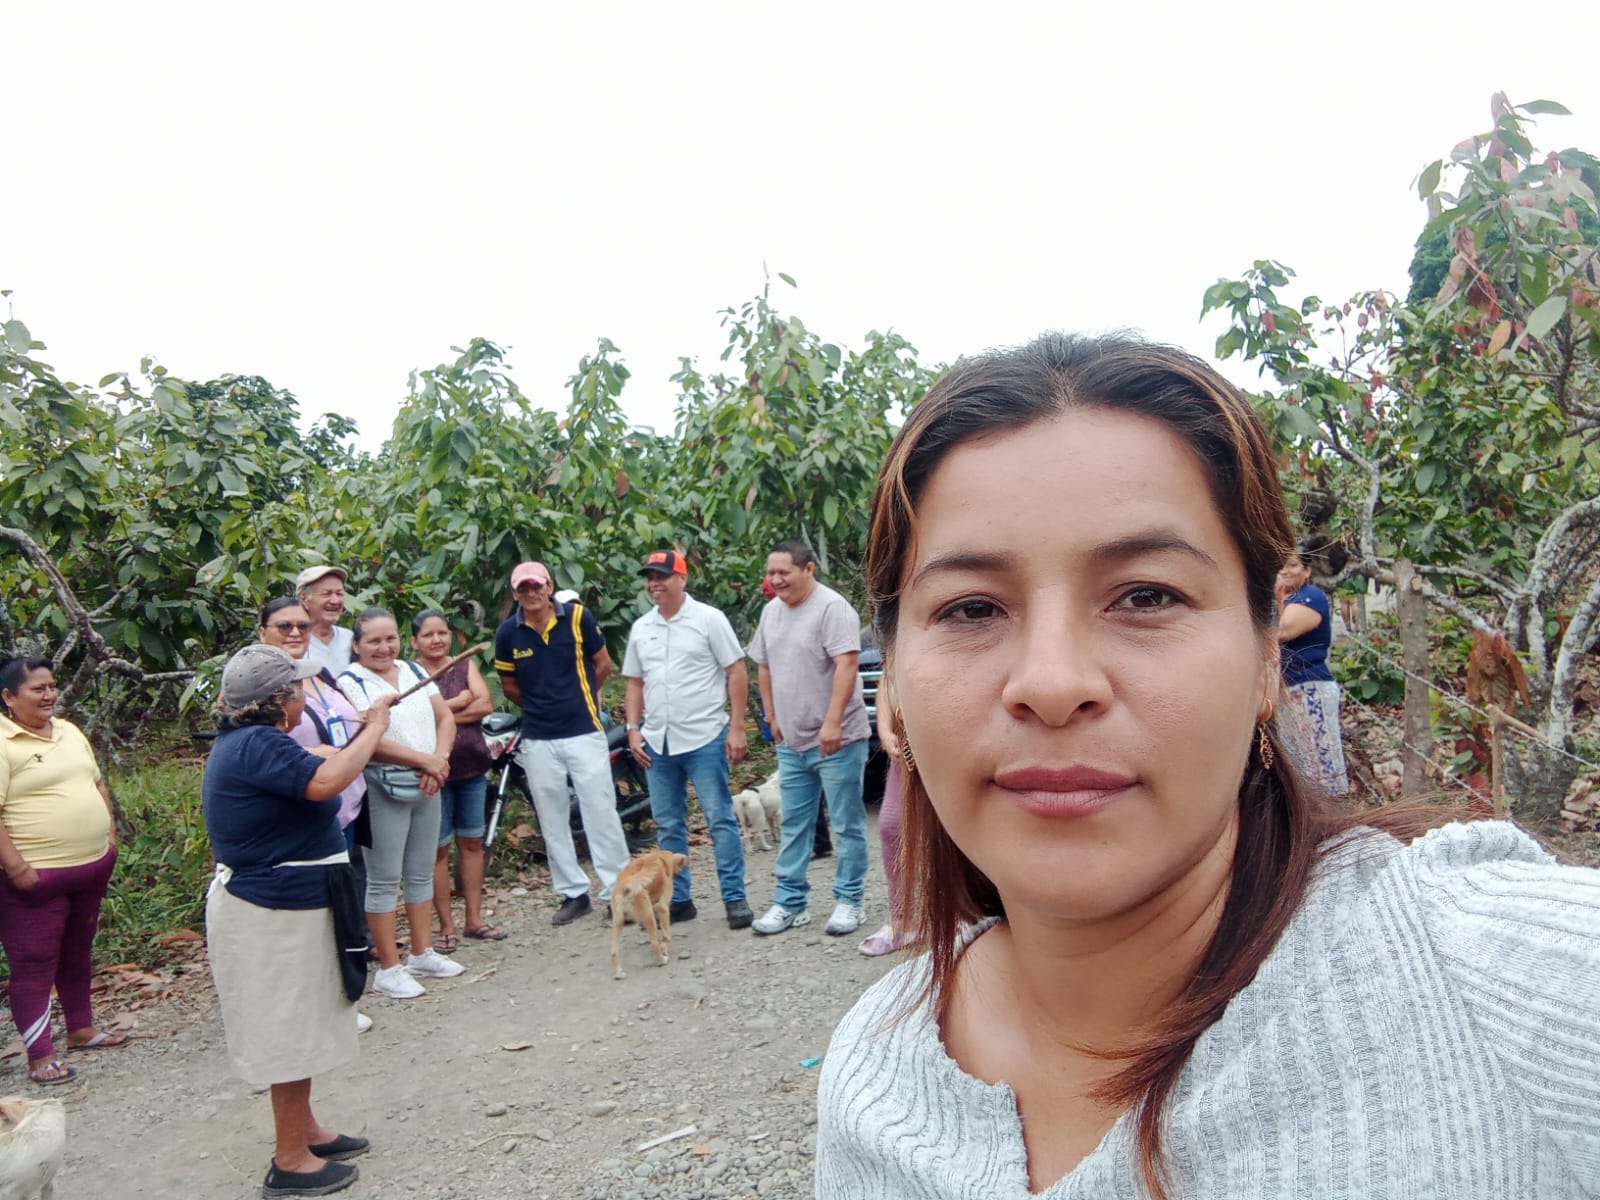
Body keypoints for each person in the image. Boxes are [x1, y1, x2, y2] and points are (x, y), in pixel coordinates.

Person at [814, 333, 1600, 1199]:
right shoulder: (872, 1073)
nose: (1052, 684)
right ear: (894, 688)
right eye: (970, 609)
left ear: (1266, 658)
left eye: (1147, 595)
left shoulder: (1509, 978)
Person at [202, 643, 395, 1198]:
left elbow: (319, 761)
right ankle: (288, 1159)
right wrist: (374, 728)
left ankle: (305, 1130)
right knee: (286, 1027)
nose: (304, 698)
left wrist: (355, 740)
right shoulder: (256, 744)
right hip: (271, 909)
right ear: (279, 699)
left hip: (287, 903)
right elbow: (327, 781)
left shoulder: (257, 742)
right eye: (298, 690)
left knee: (302, 1019)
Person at [0, 656, 126, 1087]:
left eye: (52, 686)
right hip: (36, 878)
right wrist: (16, 867)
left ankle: (81, 1029)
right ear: (9, 697)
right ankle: (40, 1054)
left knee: (77, 952)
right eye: (38, 689)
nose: (49, 695)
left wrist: (109, 835)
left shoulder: (69, 731)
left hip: (91, 867)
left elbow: (96, 784)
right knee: (34, 962)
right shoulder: (3, 742)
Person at [258, 597, 376, 1032]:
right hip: (303, 815)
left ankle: (341, 996)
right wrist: (320, 755)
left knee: (345, 905)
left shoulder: (320, 673)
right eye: (283, 626)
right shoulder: (256, 686)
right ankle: (313, 1006)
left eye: (302, 626)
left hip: (347, 808)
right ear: (262, 632)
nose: (295, 633)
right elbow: (261, 749)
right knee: (314, 914)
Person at [621, 550, 753, 930]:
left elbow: (736, 670)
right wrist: (633, 728)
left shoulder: (709, 620)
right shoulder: (642, 628)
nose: (654, 584)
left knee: (719, 818)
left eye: (662, 576)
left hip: (704, 736)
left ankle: (734, 898)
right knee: (667, 825)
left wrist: (737, 727)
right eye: (650, 577)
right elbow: (635, 682)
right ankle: (678, 899)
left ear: (682, 578)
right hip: (657, 742)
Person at [494, 561, 631, 925]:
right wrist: (541, 705)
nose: (531, 593)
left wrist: (579, 698)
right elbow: (509, 686)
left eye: (536, 585)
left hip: (583, 729)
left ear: (549, 586)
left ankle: (618, 892)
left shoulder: (577, 618)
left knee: (600, 810)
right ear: (515, 593)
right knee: (551, 816)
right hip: (539, 737)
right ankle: (573, 893)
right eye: (523, 588)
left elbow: (602, 664)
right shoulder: (508, 633)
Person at [747, 540, 872, 937]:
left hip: (839, 739)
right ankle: (790, 903)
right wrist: (771, 716)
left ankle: (850, 901)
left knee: (846, 823)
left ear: (808, 569)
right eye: (771, 573)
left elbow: (847, 664)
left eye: (783, 572)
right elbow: (763, 666)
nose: (776, 579)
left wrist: (832, 723)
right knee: (794, 823)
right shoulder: (771, 612)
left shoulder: (833, 608)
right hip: (792, 741)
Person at [338, 608, 463, 998]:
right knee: (383, 878)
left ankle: (422, 953)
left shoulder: (412, 669)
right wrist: (424, 760)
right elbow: (368, 737)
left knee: (421, 871)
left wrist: (439, 760)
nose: (384, 647)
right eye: (373, 641)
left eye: (390, 638)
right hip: (383, 786)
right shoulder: (350, 682)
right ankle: (389, 968)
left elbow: (445, 718)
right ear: (356, 645)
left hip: (428, 783)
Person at [410, 610, 504, 947]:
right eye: (428, 634)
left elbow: (485, 704)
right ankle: (446, 926)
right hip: (435, 773)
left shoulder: (464, 665)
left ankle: (474, 920)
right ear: (414, 642)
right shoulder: (410, 674)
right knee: (438, 850)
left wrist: (442, 714)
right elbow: (414, 716)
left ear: (451, 636)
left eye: (442, 633)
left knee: (472, 843)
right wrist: (460, 701)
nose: (436, 640)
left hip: (472, 768)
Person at [1276, 550, 1350, 795]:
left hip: (1308, 690)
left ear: (1307, 571)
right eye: (1281, 565)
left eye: (1293, 565)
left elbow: (1283, 630)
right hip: (1284, 692)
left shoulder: (1311, 597)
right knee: (1297, 766)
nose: (1285, 570)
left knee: (1321, 766)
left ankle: (1330, 811)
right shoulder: (1283, 601)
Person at [856, 674, 910, 957]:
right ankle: (902, 922)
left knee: (952, 830)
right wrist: (886, 731)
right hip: (908, 749)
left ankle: (964, 917)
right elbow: (888, 680)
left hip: (952, 744)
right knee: (891, 826)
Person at [297, 565, 353, 673]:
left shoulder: (350, 638)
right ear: (304, 598)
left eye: (339, 594)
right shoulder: (293, 640)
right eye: (326, 594)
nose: (335, 601)